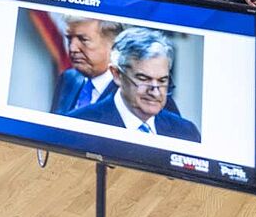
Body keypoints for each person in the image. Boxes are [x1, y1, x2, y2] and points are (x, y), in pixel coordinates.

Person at [68, 29, 201, 143]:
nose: (155, 93)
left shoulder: (187, 133)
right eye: (143, 79)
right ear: (117, 75)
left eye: (162, 81)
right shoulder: (78, 125)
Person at [51, 17, 123, 114]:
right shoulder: (68, 78)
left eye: (83, 39)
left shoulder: (127, 92)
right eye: (69, 39)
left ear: (113, 45)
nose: (72, 48)